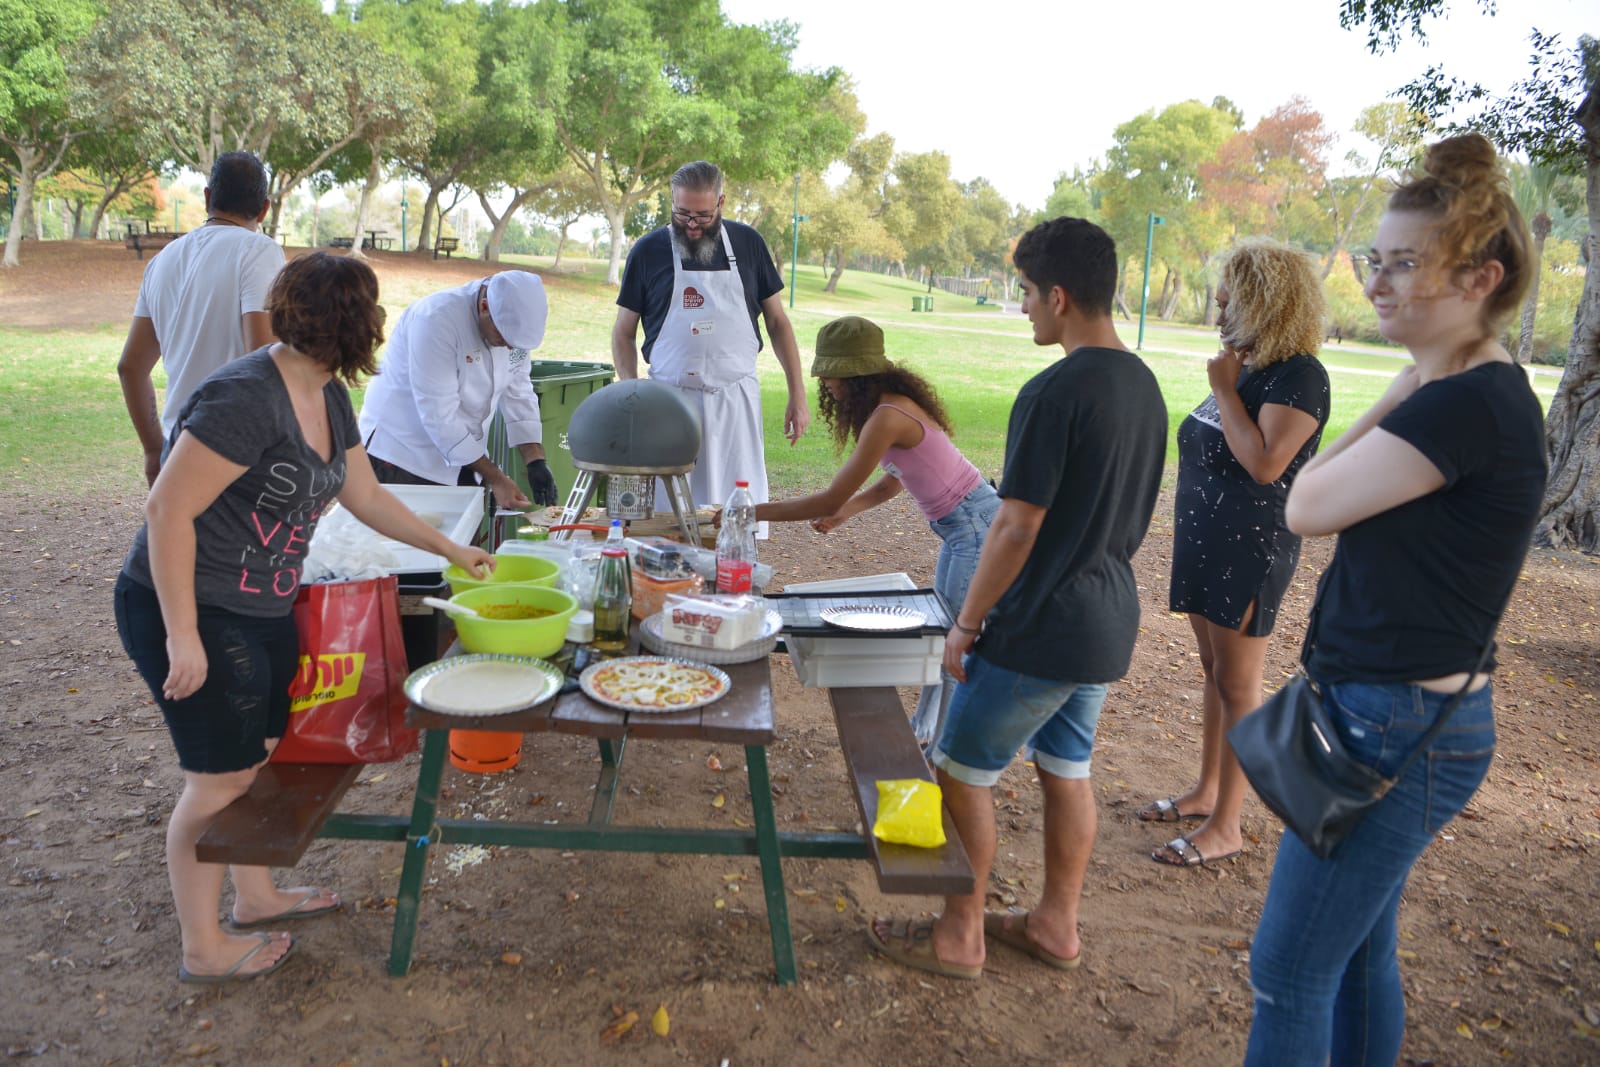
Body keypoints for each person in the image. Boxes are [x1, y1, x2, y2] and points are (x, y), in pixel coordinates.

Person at [1243, 133, 1545, 1063]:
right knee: (1359, 950)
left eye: (1406, 264)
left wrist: (1420, 376)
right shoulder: (1465, 391)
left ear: (1479, 278)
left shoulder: (1464, 405)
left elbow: (1303, 501)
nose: (1378, 282)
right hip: (1400, 716)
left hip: (1396, 727)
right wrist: (1421, 368)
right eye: (1376, 260)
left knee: (1287, 973)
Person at [112, 252, 494, 984]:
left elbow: (368, 497)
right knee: (215, 782)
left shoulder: (328, 393)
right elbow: (166, 506)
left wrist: (452, 548)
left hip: (261, 604)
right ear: (359, 326)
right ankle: (202, 945)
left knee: (255, 761)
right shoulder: (246, 397)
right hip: (192, 604)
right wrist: (182, 632)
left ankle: (253, 896)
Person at [866, 218, 1167, 979]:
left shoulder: (1054, 389)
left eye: (1029, 293)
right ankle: (1054, 926)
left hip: (1041, 625)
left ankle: (959, 935)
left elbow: (1015, 523)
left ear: (1059, 296)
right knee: (1066, 768)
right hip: (1105, 617)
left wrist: (967, 623)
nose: (1025, 306)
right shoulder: (1144, 384)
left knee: (960, 770)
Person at [1143, 239, 1331, 869]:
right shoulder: (1246, 367)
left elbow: (1265, 463)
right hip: (1205, 540)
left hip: (1250, 548)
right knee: (1213, 671)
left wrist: (1223, 390)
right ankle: (1206, 790)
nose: (1218, 315)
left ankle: (1228, 825)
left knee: (1240, 683)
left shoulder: (1300, 376)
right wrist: (1229, 382)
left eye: (1230, 303)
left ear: (1267, 304)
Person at [753, 315, 1000, 746]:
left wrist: (750, 511)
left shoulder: (888, 415)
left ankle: (946, 753)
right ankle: (927, 735)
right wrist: (848, 512)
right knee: (945, 636)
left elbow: (827, 498)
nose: (827, 386)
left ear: (855, 375)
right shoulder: (889, 407)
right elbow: (892, 482)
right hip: (965, 529)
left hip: (976, 529)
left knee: (956, 643)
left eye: (832, 378)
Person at [611, 161, 811, 531]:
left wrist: (797, 394)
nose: (691, 224)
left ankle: (736, 577)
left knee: (736, 515)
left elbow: (779, 323)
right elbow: (623, 331)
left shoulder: (749, 244)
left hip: (735, 402)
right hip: (669, 402)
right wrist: (630, 387)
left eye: (703, 215)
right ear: (671, 200)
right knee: (667, 517)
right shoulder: (648, 250)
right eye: (682, 212)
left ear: (721, 201)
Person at [118, 151, 285, 488]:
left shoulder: (164, 260)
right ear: (264, 208)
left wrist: (154, 449)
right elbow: (264, 359)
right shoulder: (259, 251)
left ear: (208, 197)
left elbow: (131, 367)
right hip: (236, 450)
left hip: (177, 444)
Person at [357, 269, 559, 510]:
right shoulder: (434, 320)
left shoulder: (510, 330)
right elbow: (440, 416)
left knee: (455, 541)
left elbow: (519, 391)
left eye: (515, 344)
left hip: (462, 456)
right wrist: (495, 477)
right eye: (503, 336)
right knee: (401, 544)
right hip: (400, 455)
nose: (508, 346)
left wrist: (535, 459)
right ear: (485, 307)